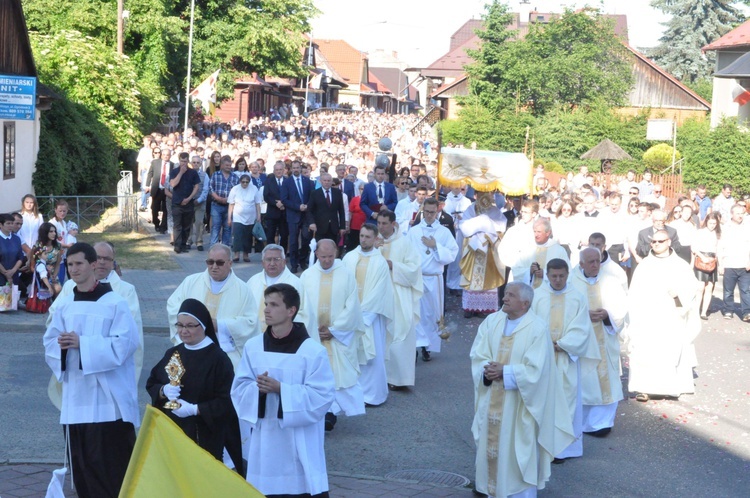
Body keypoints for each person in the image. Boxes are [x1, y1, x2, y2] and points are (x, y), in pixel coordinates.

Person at [43, 242, 140, 498]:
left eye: (79, 263)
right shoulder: (64, 305)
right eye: (69, 265)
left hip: (108, 404)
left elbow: (126, 344)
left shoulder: (115, 303)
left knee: (110, 470)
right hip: (76, 400)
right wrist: (61, 347)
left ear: (93, 264)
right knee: (83, 470)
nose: (73, 269)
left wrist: (82, 344)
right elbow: (50, 342)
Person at [470, 282, 575, 498]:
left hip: (520, 405)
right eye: (505, 294)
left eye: (511, 295)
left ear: (525, 303)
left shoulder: (537, 328)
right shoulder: (492, 321)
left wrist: (506, 372)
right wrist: (487, 369)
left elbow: (539, 371)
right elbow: (477, 354)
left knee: (518, 450)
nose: (504, 299)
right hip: (492, 399)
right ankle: (491, 490)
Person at [232, 284, 335, 497]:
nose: (267, 310)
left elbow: (322, 396)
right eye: (266, 304)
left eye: (274, 305)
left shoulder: (312, 352)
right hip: (266, 438)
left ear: (291, 311)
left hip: (299, 437)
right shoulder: (253, 347)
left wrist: (281, 389)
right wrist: (257, 390)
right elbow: (239, 389)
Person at [47, 242, 145, 408]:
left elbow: (128, 335)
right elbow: (53, 321)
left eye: (107, 259)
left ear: (114, 262)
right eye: (98, 257)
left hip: (108, 368)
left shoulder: (124, 291)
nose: (102, 262)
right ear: (91, 261)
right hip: (75, 368)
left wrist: (85, 343)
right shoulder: (70, 287)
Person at [146, 298, 241, 470]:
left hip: (204, 437)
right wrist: (163, 390)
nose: (184, 331)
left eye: (190, 325)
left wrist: (195, 409)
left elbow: (227, 402)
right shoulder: (173, 353)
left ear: (203, 326)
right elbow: (152, 382)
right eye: (180, 325)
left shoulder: (218, 359)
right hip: (174, 435)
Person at [531, 259, 599, 460]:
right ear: (547, 275)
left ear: (568, 275)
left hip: (565, 358)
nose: (558, 280)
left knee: (567, 400)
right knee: (542, 400)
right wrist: (541, 344)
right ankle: (543, 447)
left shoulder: (577, 298)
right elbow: (530, 323)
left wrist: (562, 344)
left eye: (561, 276)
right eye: (553, 276)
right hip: (542, 357)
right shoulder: (537, 296)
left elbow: (582, 328)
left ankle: (563, 449)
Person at [299, 239, 365, 430]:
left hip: (337, 336)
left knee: (338, 375)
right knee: (314, 374)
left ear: (336, 253)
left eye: (330, 256)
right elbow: (301, 307)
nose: (327, 260)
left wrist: (334, 330)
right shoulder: (307, 276)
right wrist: (312, 330)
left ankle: (331, 411)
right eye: (323, 256)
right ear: (316, 254)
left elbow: (352, 307)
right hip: (314, 335)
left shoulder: (346, 275)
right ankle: (319, 410)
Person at [628, 229, 700, 402]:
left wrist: (677, 296)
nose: (656, 244)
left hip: (672, 316)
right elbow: (634, 292)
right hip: (648, 317)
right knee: (646, 352)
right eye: (654, 242)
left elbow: (690, 292)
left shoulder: (680, 266)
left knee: (669, 352)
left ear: (669, 242)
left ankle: (669, 387)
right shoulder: (644, 265)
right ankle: (644, 388)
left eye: (661, 241)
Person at [166, 244, 257, 368]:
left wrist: (219, 325)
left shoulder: (243, 289)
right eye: (210, 262)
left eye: (220, 263)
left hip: (225, 354)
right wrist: (191, 323)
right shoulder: (191, 281)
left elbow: (250, 322)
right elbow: (173, 306)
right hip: (192, 349)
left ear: (230, 263)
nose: (214, 267)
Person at [568, 247, 627, 437]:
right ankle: (583, 422)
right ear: (581, 263)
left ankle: (602, 423)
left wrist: (607, 315)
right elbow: (565, 308)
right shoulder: (571, 281)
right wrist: (584, 315)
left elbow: (621, 306)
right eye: (591, 262)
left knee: (606, 380)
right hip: (583, 340)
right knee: (586, 381)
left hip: (605, 335)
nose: (595, 265)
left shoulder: (610, 279)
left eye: (598, 261)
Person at [342, 224, 393, 406]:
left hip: (371, 316)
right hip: (350, 316)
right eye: (362, 236)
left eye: (368, 237)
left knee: (372, 356)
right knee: (351, 355)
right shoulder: (349, 258)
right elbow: (343, 286)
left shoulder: (380, 262)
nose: (363, 239)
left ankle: (373, 395)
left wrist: (365, 317)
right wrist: (348, 313)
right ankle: (354, 394)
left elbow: (380, 291)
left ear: (375, 239)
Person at [374, 210, 423, 390]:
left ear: (393, 224)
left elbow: (414, 269)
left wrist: (393, 265)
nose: (381, 227)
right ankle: (379, 376)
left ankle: (399, 378)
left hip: (398, 294)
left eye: (384, 223)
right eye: (378, 223)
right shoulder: (372, 241)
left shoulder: (404, 243)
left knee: (399, 332)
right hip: (377, 294)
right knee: (379, 335)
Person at [408, 197, 459, 361]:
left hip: (434, 278)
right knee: (416, 313)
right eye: (427, 212)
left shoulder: (443, 232)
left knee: (432, 313)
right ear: (423, 211)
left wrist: (435, 246)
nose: (429, 215)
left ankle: (428, 346)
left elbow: (452, 253)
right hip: (417, 277)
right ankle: (415, 346)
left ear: (438, 211)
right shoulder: (414, 231)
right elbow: (405, 252)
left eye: (433, 212)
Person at [457, 193, 507, 317]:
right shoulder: (471, 208)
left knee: (488, 278)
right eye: (481, 195)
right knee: (470, 276)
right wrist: (480, 223)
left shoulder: (494, 210)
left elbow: (501, 225)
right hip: (473, 249)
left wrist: (487, 227)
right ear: (477, 196)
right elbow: (464, 226)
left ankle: (485, 308)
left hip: (488, 250)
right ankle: (469, 308)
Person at [246, 244, 310, 336]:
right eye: (268, 259)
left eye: (276, 259)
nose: (272, 263)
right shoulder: (253, 282)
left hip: (283, 339)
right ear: (263, 262)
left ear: (284, 262)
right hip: (254, 337)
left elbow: (304, 314)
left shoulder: (295, 284)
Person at [718, 204, 750, 322]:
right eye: (737, 213)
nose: (740, 216)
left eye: (742, 213)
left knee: (746, 290)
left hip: (744, 264)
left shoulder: (747, 227)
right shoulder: (725, 228)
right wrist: (721, 264)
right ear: (732, 214)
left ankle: (747, 312)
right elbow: (720, 246)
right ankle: (728, 310)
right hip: (729, 264)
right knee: (728, 291)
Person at [518, 217, 570, 289]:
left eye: (539, 232)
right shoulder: (527, 248)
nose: (536, 235)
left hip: (550, 292)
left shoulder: (558, 250)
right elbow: (516, 269)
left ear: (548, 233)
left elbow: (567, 272)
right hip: (530, 291)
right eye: (534, 231)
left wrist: (546, 274)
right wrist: (529, 271)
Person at [282, 160, 314, 273]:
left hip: (306, 215)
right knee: (294, 241)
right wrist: (297, 207)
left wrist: (307, 206)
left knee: (306, 239)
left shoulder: (308, 181)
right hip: (293, 215)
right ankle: (294, 264)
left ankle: (303, 260)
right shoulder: (286, 182)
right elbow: (284, 199)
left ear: (300, 168)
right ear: (291, 169)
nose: (296, 169)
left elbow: (312, 197)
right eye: (293, 167)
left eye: (297, 167)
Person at [169, 152, 202, 253]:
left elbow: (197, 186)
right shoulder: (174, 171)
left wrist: (189, 198)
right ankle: (177, 245)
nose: (183, 163)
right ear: (179, 161)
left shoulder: (193, 173)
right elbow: (173, 184)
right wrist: (181, 173)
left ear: (188, 161)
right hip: (177, 203)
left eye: (185, 161)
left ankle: (183, 245)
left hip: (189, 202)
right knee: (177, 225)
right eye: (182, 161)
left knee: (187, 225)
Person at [228, 173, 262, 262]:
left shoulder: (254, 189)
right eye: (243, 182)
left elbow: (258, 203)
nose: (245, 184)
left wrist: (259, 216)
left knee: (248, 236)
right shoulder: (235, 189)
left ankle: (246, 255)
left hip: (250, 217)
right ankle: (236, 254)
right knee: (238, 235)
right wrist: (229, 218)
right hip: (238, 216)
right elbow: (231, 204)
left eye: (247, 182)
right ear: (240, 182)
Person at [693, 212, 721, 319]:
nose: (712, 225)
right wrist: (702, 257)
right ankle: (696, 309)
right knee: (700, 287)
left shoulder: (718, 234)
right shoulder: (700, 232)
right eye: (710, 223)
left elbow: (719, 249)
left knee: (709, 287)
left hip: (712, 260)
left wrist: (717, 261)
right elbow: (694, 247)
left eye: (714, 223)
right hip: (701, 258)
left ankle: (704, 312)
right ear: (706, 222)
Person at [307, 172, 347, 243]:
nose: (326, 182)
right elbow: (309, 210)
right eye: (325, 181)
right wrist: (311, 222)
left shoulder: (337, 193)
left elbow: (341, 211)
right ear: (321, 181)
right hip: (319, 227)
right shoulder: (315, 193)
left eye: (328, 181)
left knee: (332, 247)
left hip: (333, 227)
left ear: (331, 182)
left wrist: (342, 227)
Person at [210, 155, 240, 247]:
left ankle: (225, 248)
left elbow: (237, 191)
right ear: (222, 165)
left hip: (229, 207)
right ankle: (213, 248)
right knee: (216, 227)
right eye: (227, 165)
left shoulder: (235, 177)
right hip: (216, 205)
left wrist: (228, 199)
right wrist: (217, 198)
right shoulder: (215, 175)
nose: (229, 167)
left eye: (230, 165)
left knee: (227, 228)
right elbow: (211, 188)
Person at [31, 222, 63, 302]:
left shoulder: (58, 246)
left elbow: (58, 264)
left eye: (54, 231)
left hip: (52, 274)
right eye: (51, 232)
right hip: (40, 275)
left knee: (58, 288)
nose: (54, 234)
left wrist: (54, 276)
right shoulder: (38, 246)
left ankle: (54, 304)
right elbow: (33, 264)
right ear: (45, 233)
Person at [146, 147, 172, 233]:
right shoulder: (155, 162)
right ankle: (156, 223)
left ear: (170, 156)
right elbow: (150, 173)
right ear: (161, 155)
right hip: (157, 188)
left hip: (167, 190)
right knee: (154, 208)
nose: (165, 156)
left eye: (167, 155)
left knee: (166, 209)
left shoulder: (172, 165)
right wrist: (147, 185)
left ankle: (163, 227)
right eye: (164, 155)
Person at [263, 160, 288, 250]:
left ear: (283, 170)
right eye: (277, 170)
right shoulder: (269, 181)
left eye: (280, 169)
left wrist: (283, 203)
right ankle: (271, 253)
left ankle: (283, 254)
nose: (279, 171)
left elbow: (291, 195)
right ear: (274, 171)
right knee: (270, 235)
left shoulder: (287, 181)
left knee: (284, 235)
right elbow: (266, 196)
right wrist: (276, 203)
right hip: (272, 213)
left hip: (284, 213)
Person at [189, 154, 210, 251]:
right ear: (191, 163)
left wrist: (199, 200)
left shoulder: (205, 175)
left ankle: (199, 242)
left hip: (200, 202)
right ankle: (188, 241)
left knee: (199, 222)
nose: (196, 164)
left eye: (198, 162)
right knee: (188, 222)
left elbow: (206, 190)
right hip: (188, 202)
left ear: (201, 164)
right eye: (194, 162)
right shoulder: (187, 174)